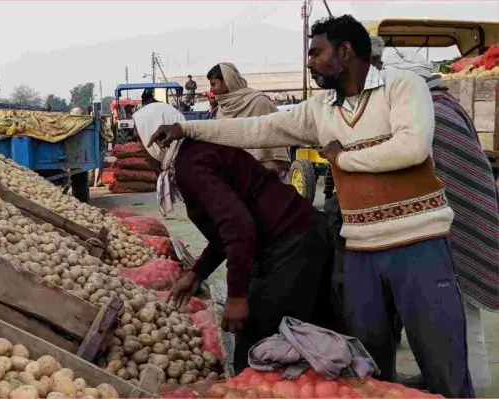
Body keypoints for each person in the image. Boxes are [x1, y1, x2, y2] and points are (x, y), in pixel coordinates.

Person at [148, 15, 473, 398]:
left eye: (316, 52)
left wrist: (342, 157)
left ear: (345, 51)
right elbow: (259, 129)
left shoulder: (402, 86)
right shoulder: (321, 108)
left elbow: (411, 147)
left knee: (442, 361)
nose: (309, 61)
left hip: (418, 244)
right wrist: (189, 128)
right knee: (369, 369)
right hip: (361, 252)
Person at [132, 91, 336, 375]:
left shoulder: (191, 165)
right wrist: (197, 273)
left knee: (258, 347)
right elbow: (224, 231)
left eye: (140, 142)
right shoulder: (194, 154)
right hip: (299, 236)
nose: (141, 152)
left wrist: (238, 297)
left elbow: (238, 228)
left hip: (292, 243)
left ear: (157, 139)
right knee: (307, 339)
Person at [380, 48, 499, 392]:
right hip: (451, 220)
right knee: (442, 313)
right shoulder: (443, 104)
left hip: (458, 224)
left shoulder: (431, 110)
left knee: (460, 313)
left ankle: (469, 383)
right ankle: (448, 378)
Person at [206, 63, 291, 180]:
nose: (211, 89)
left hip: (265, 175)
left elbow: (277, 137)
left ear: (227, 81)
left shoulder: (259, 102)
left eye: (213, 84)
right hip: (234, 177)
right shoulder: (222, 110)